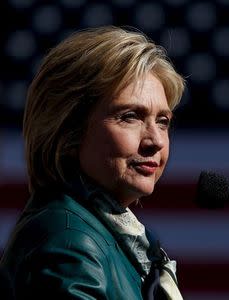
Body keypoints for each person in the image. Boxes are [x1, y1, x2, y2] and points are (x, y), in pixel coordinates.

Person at [0, 26, 185, 299]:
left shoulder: (103, 234)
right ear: (69, 130)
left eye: (162, 121)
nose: (155, 140)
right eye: (130, 116)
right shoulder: (70, 241)